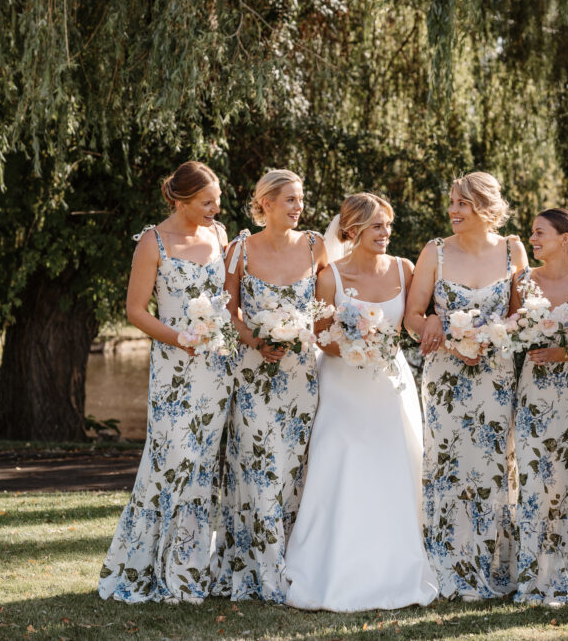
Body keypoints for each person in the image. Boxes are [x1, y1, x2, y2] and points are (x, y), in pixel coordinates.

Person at [284, 193, 438, 611]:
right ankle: (333, 564)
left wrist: (432, 322)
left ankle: (394, 563)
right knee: (341, 466)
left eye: (388, 225)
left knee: (394, 466)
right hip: (342, 386)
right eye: (376, 226)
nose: (385, 233)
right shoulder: (330, 277)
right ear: (352, 230)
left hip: (390, 385)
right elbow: (320, 336)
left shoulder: (405, 269)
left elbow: (416, 318)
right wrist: (355, 349)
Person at [99, 161, 231, 604]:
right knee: (170, 458)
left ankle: (188, 569)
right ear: (181, 201)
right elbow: (135, 311)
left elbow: (228, 300)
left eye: (216, 200)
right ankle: (142, 567)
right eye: (207, 202)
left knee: (202, 465)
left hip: (216, 370)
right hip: (174, 368)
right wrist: (180, 338)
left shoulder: (220, 235)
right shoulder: (152, 242)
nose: (215, 208)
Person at [403, 171, 528, 600]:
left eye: (462, 204)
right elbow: (412, 317)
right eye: (452, 202)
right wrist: (438, 328)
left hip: (496, 375)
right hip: (445, 377)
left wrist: (494, 335)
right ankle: (447, 564)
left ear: (484, 207)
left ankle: (494, 565)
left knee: (494, 463)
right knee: (447, 463)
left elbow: (521, 314)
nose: (453, 211)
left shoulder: (513, 249)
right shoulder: (434, 251)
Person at [211, 169, 328, 602]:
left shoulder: (316, 245)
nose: (299, 207)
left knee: (293, 471)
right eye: (290, 200)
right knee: (260, 466)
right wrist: (256, 341)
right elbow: (228, 311)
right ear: (266, 204)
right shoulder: (240, 249)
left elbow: (327, 306)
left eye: (300, 199)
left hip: (301, 377)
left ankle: (295, 563)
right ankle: (263, 570)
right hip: (253, 374)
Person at [512, 208, 568, 605]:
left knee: (567, 481)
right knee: (534, 481)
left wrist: (559, 353)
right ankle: (532, 577)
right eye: (532, 232)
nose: (533, 239)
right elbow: (512, 328)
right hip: (531, 391)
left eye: (540, 232)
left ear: (565, 239)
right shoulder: (522, 281)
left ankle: (563, 577)